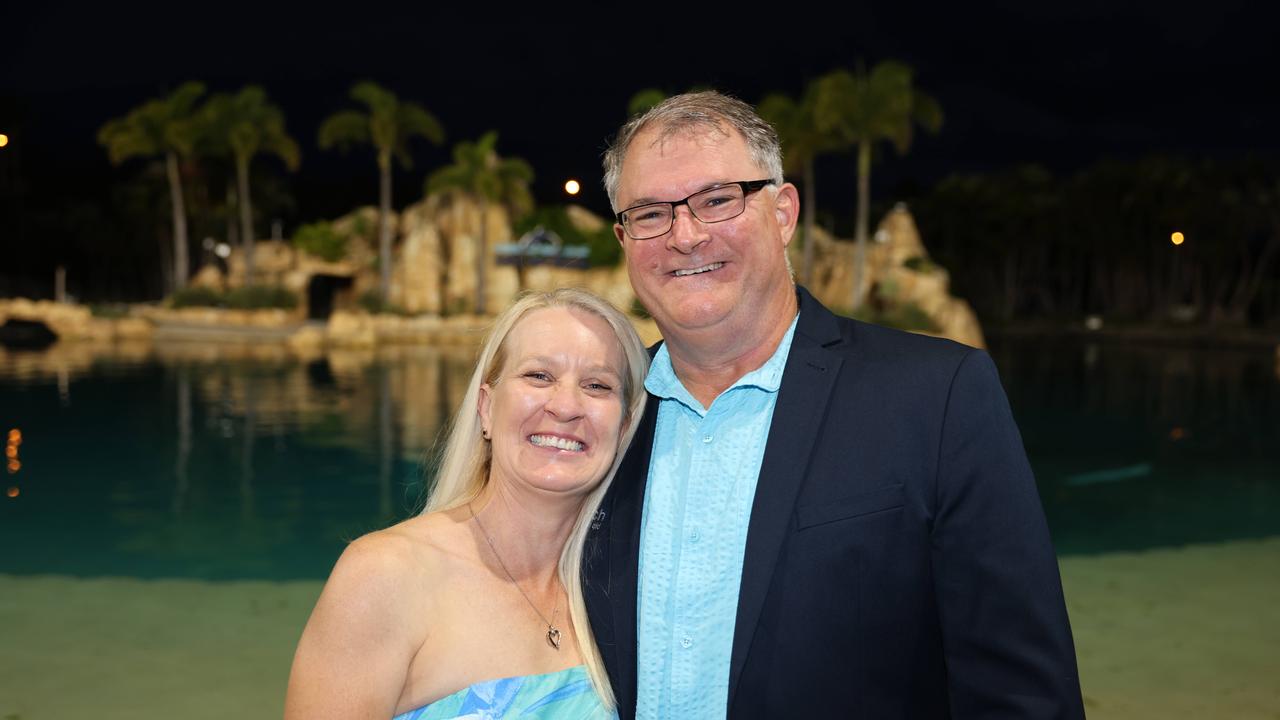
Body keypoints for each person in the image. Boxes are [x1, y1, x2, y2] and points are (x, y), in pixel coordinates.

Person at [583, 91, 1085, 719]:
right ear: (625, 238)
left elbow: (1023, 695)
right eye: (651, 212)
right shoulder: (597, 418)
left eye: (718, 200)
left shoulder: (937, 397)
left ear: (784, 212)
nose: (686, 235)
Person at [285, 288, 649, 719]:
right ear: (487, 406)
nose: (567, 406)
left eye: (597, 385)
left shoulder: (626, 594)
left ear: (624, 426)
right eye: (538, 376)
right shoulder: (386, 577)